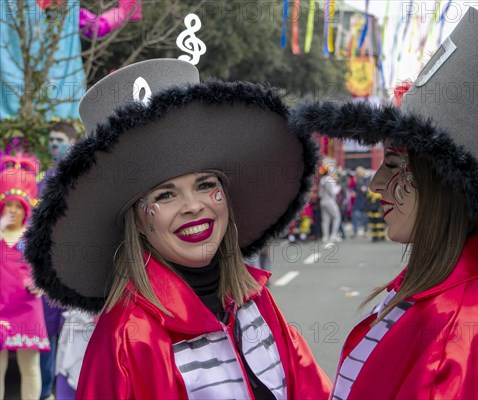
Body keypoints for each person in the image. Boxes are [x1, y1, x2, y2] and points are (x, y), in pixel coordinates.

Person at [290, 7, 478, 399]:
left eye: (392, 165)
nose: (376, 184)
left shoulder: (468, 330)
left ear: (444, 183)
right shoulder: (439, 287)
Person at [24, 59, 331, 399]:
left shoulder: (257, 302)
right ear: (138, 221)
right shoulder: (126, 337)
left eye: (204, 184)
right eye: (165, 194)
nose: (193, 205)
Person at [0, 153, 50, 400]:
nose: (12, 210)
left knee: (29, 368)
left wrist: (41, 284)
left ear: (26, 208)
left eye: (17, 206)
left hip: (28, 308)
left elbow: (46, 267)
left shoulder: (31, 236)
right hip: (0, 308)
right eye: (8, 205)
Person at [39, 120, 78, 400]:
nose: (54, 145)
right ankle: (48, 390)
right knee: (47, 329)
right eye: (51, 140)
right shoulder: (44, 180)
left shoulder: (82, 176)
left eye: (59, 140)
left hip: (76, 265)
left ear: (73, 143)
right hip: (48, 266)